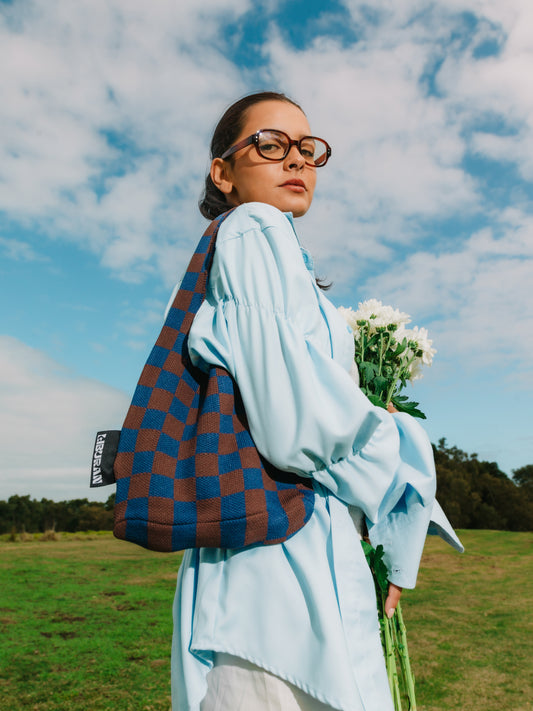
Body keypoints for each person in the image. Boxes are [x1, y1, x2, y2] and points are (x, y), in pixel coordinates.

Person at [170, 91, 462, 711]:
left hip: (285, 564)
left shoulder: (279, 257)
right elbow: (295, 422)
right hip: (278, 580)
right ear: (222, 172)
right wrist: (400, 450)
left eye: (308, 148)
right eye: (270, 147)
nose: (296, 161)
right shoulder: (254, 228)